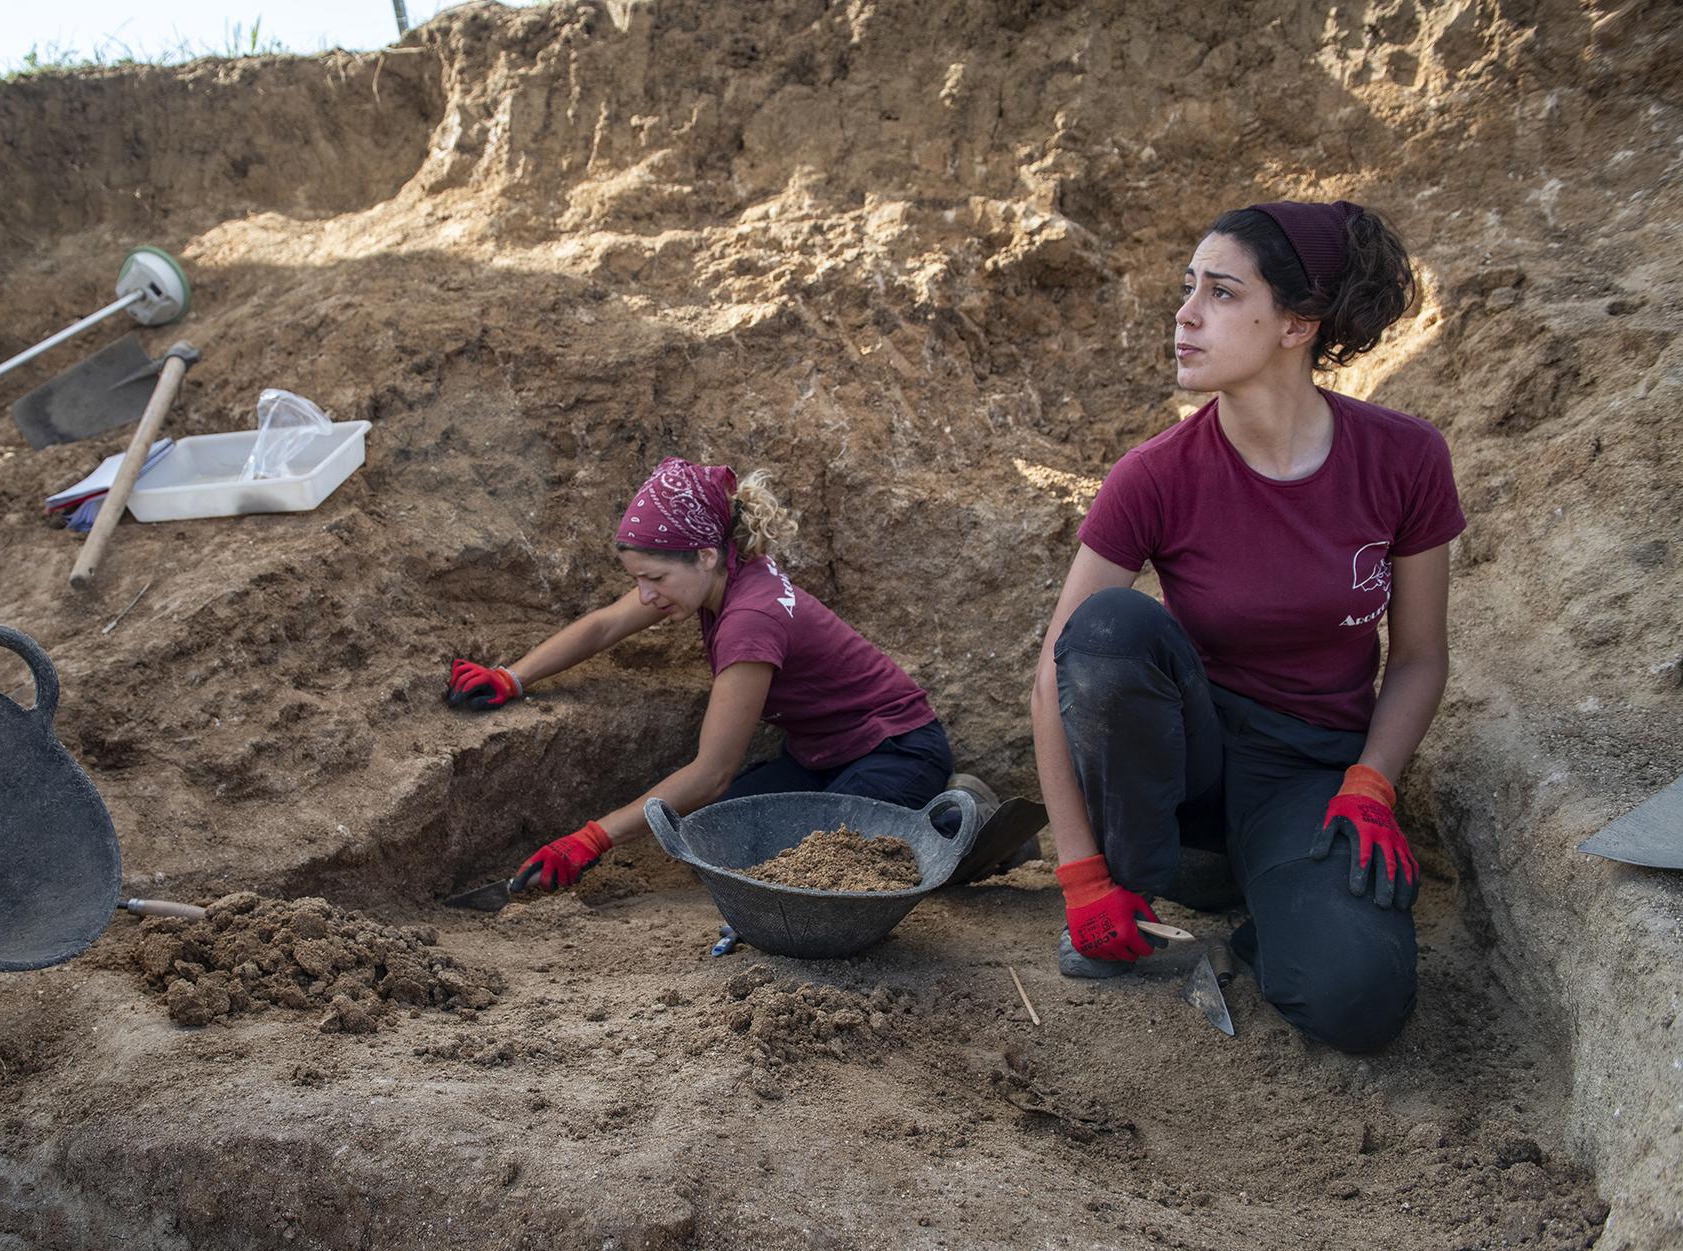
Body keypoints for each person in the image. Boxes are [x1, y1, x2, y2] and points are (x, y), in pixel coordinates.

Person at [1029, 200, 1464, 1054]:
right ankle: (1142, 885)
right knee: (1110, 628)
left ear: (1298, 324)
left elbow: (1419, 658)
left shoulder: (1406, 458)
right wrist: (1080, 874)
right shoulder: (1155, 475)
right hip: (1180, 779)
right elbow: (1058, 672)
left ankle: (1275, 914)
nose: (1185, 315)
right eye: (1189, 287)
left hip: (1306, 779)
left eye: (1221, 293)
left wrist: (1372, 782)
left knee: (1360, 1003)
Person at [446, 457, 957, 893]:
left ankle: (951, 832)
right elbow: (605, 625)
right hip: (822, 757)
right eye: (637, 579)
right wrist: (511, 677)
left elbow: (712, 773)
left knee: (809, 865)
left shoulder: (749, 621)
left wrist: (593, 838)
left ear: (704, 555)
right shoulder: (721, 569)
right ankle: (914, 816)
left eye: (655, 578)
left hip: (897, 750)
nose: (645, 595)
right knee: (711, 841)